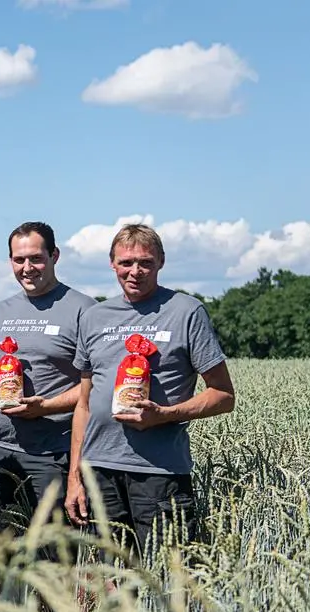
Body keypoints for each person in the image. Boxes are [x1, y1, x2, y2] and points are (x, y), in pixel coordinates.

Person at [66, 223, 236, 559]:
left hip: (159, 473)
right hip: (99, 469)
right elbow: (84, 405)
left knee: (167, 576)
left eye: (145, 262)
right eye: (126, 263)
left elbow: (223, 395)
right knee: (110, 576)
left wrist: (164, 415)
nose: (135, 272)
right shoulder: (95, 317)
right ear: (112, 264)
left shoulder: (186, 311)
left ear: (161, 262)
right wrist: (75, 477)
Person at [0, 222, 96, 547]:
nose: (27, 268)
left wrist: (46, 407)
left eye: (36, 258)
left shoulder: (83, 310)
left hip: (53, 453)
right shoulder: (0, 312)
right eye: (18, 259)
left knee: (51, 556)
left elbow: (97, 386)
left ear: (54, 255)